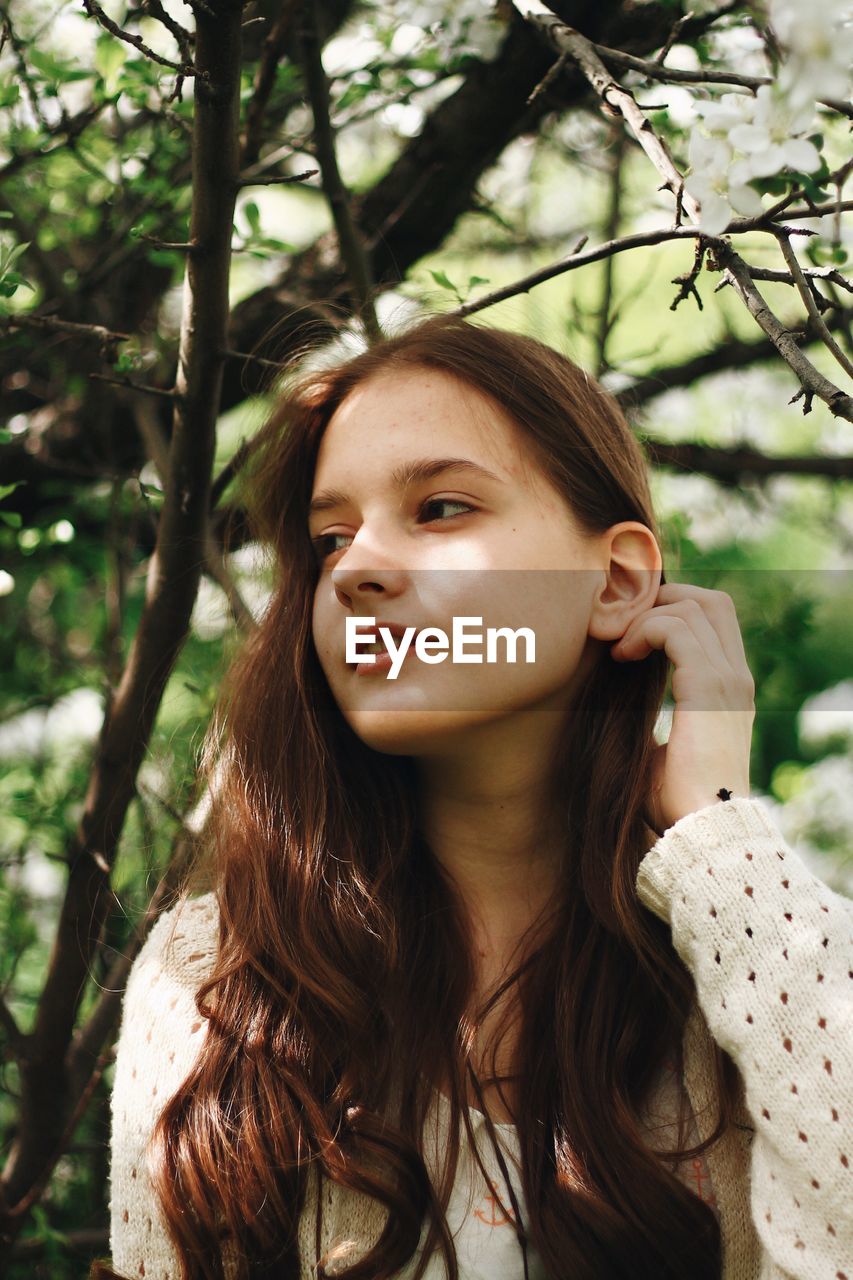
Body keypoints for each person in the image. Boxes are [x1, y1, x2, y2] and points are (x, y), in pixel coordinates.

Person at [95, 316, 852, 1280]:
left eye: (441, 509)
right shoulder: (219, 981)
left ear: (616, 579)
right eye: (330, 539)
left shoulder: (753, 965)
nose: (360, 568)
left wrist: (716, 836)